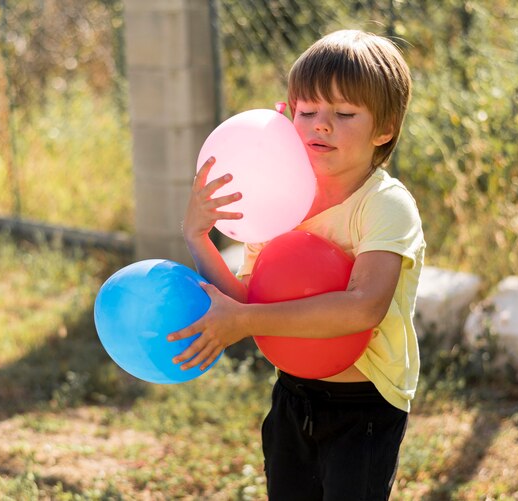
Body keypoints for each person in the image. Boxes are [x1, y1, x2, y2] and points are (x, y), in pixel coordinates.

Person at [168, 29, 425, 500]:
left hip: (365, 407)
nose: (320, 125)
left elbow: (363, 308)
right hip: (293, 392)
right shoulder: (277, 200)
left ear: (384, 128)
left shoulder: (385, 204)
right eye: (308, 111)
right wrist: (197, 236)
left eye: (344, 113)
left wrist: (245, 321)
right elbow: (248, 301)